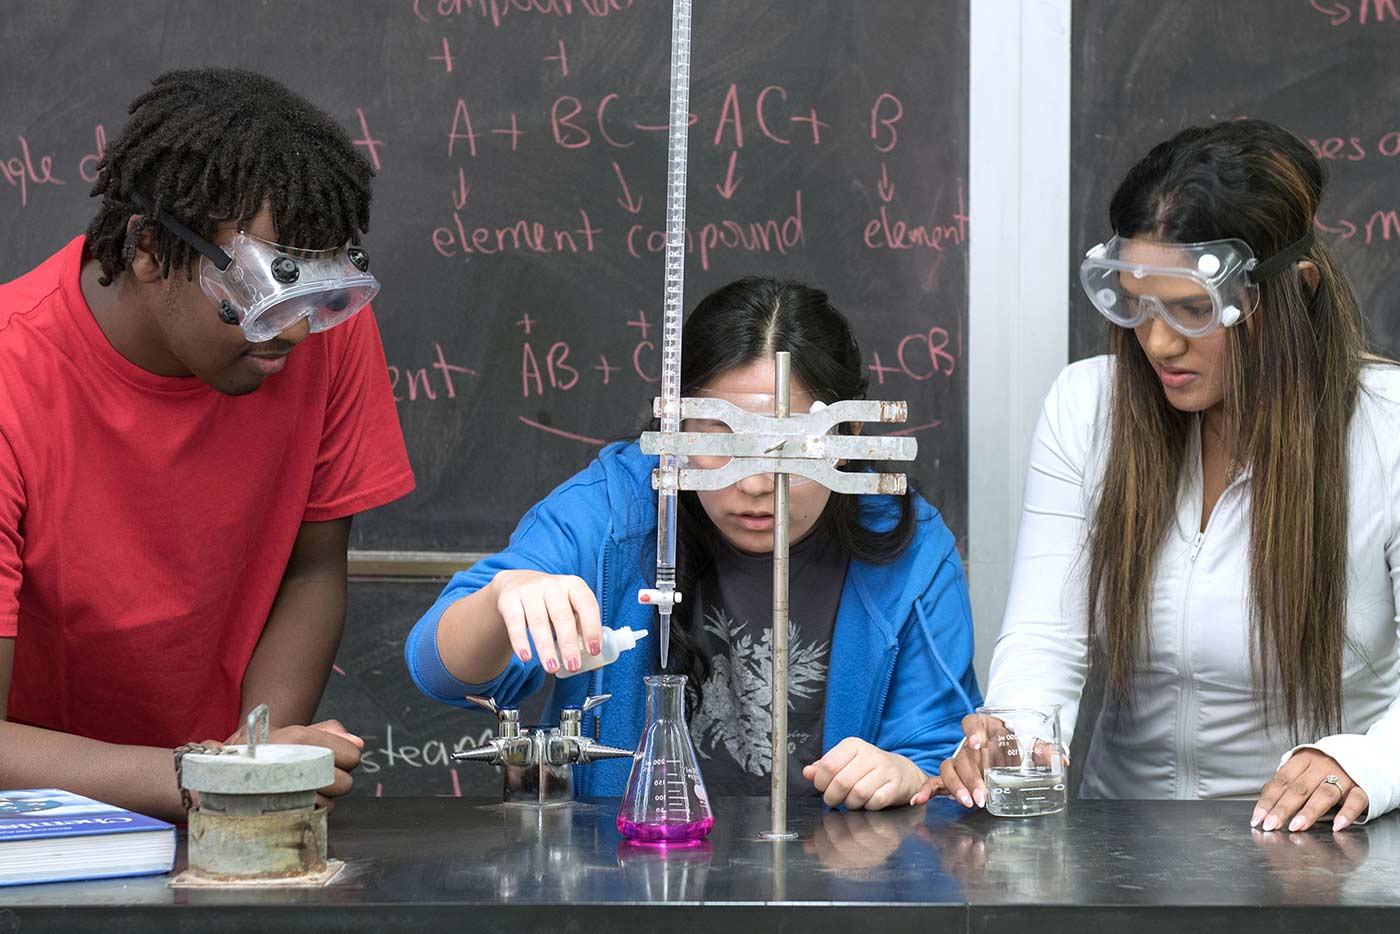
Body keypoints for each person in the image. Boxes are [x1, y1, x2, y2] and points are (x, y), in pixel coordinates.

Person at [914, 120, 1400, 833]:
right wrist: (1013, 738)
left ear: (1293, 290)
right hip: (1122, 848)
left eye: (1192, 309)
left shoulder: (1387, 430)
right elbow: (1046, 641)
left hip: (1325, 849)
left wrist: (1368, 762)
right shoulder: (1089, 410)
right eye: (1135, 303)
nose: (1158, 342)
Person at [0, 68, 415, 820]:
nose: (292, 330)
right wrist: (207, 779)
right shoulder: (12, 376)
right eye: (257, 295)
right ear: (153, 249)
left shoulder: (323, 330)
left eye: (312, 291)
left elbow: (311, 569)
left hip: (210, 798)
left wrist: (255, 756)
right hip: (36, 828)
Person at [408, 277, 979, 809]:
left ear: (848, 437)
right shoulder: (617, 507)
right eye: (721, 439)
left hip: (829, 894)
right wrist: (505, 596)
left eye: (792, 446)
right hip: (625, 886)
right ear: (676, 427)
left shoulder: (908, 547)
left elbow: (941, 763)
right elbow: (440, 673)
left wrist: (907, 776)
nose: (755, 485)